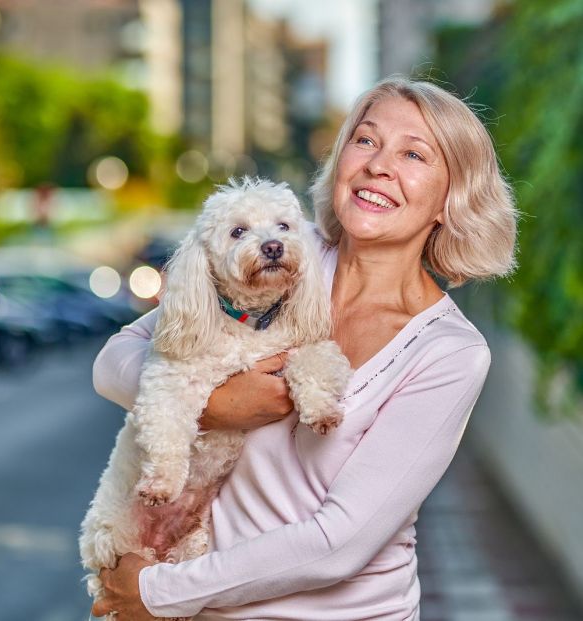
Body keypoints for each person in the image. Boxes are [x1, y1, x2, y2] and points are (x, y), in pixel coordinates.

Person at [90, 76, 518, 621]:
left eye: (413, 154)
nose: (378, 165)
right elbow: (113, 362)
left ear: (450, 199)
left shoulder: (449, 352)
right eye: (365, 141)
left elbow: (340, 541)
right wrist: (216, 404)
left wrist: (160, 592)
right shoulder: (283, 253)